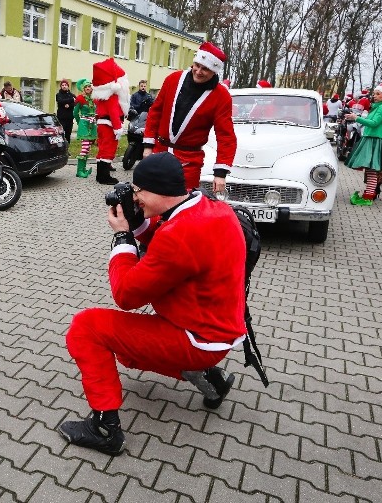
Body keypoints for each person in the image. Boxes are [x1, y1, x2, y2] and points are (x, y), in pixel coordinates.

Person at [58, 153, 247, 456]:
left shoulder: (179, 234)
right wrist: (138, 226)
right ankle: (213, 379)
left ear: (156, 190)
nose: (135, 198)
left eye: (137, 192)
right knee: (127, 355)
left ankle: (105, 429)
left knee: (86, 328)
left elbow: (126, 296)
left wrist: (122, 237)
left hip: (195, 338)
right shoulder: (211, 208)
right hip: (218, 330)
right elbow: (168, 242)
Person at [143, 42, 237, 193]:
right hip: (159, 151)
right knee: (151, 198)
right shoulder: (173, 79)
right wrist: (148, 145)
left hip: (189, 160)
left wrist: (220, 173)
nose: (198, 71)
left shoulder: (221, 96)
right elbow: (155, 112)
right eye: (197, 65)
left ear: (214, 72)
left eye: (205, 69)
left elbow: (226, 136)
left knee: (182, 205)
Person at [344, 79, 382, 205]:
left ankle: (368, 197)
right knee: (370, 170)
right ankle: (369, 194)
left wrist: (356, 118)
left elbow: (373, 123)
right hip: (372, 139)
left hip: (375, 141)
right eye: (374, 93)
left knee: (372, 170)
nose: (375, 96)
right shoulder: (379, 107)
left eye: (378, 94)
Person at [91, 58, 129, 185]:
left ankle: (100, 175)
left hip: (102, 125)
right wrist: (118, 128)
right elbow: (113, 112)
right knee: (108, 150)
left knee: (102, 149)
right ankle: (104, 177)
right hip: (109, 126)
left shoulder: (101, 97)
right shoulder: (112, 96)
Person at [72, 79, 97, 178]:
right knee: (85, 147)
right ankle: (79, 171)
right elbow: (75, 113)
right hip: (84, 125)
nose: (88, 88)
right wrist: (80, 123)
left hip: (92, 125)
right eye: (86, 87)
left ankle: (83, 169)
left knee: (88, 148)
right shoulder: (80, 98)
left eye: (89, 86)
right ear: (83, 88)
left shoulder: (93, 98)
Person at [55, 79, 76, 144]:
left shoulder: (71, 94)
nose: (64, 86)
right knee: (61, 133)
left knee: (68, 133)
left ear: (68, 86)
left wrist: (69, 105)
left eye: (65, 85)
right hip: (61, 117)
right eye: (62, 85)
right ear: (61, 86)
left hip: (69, 117)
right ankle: (61, 146)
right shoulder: (58, 94)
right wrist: (71, 100)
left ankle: (67, 146)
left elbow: (76, 102)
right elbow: (60, 101)